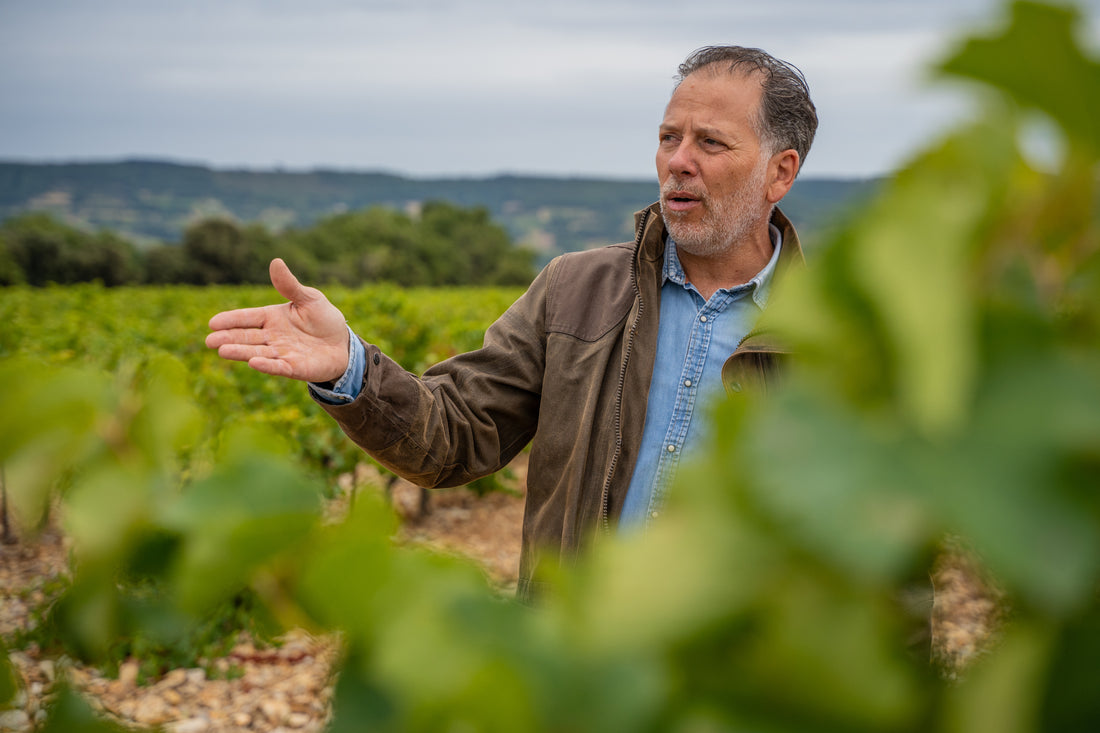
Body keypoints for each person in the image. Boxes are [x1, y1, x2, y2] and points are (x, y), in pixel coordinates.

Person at [207, 45, 818, 602]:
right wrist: (350, 368)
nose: (678, 162)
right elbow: (455, 436)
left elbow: (887, 570)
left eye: (710, 143)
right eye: (667, 137)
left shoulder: (841, 335)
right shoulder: (575, 289)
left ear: (780, 173)